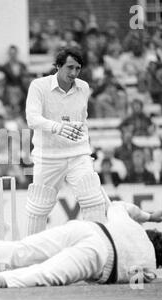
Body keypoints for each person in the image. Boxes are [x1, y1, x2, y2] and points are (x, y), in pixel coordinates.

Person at [0, 199, 162, 290]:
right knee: (44, 273)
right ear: (159, 258)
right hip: (101, 257)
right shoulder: (150, 268)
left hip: (88, 228)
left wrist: (150, 216)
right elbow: (134, 282)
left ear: (150, 233)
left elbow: (118, 206)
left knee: (22, 249)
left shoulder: (132, 226)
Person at [24, 48, 107, 236]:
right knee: (38, 208)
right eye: (70, 67)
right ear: (58, 66)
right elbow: (32, 119)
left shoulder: (84, 87)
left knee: (93, 200)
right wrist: (58, 127)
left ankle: (100, 253)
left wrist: (83, 143)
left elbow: (82, 118)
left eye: (78, 68)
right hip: (48, 156)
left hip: (78, 154)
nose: (74, 73)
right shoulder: (39, 86)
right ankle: (33, 256)